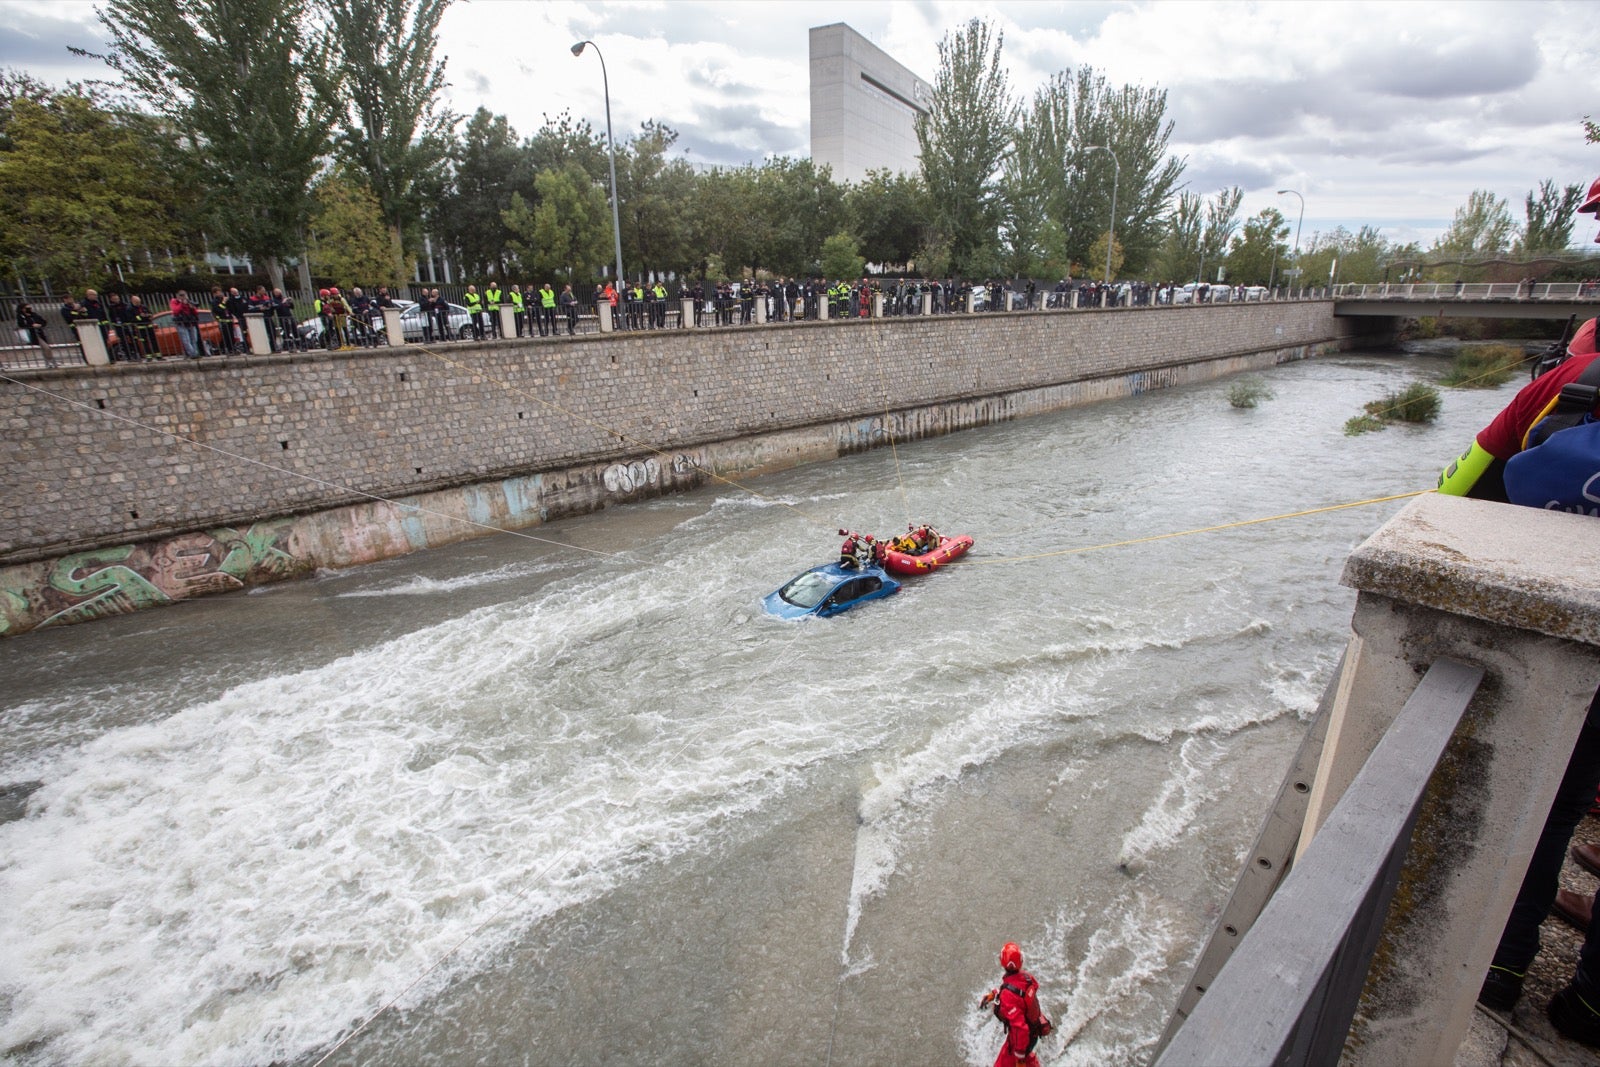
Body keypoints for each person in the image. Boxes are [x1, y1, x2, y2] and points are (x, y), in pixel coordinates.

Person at [1459, 178, 1600, 1044]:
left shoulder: (1573, 379)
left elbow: (1463, 484)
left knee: (1547, 797)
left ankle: (1508, 966)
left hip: (1566, 631)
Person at [980, 941, 1052, 1067]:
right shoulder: (1027, 978)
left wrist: (1019, 1058)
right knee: (1027, 1056)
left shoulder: (1008, 994)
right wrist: (995, 994)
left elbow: (1020, 1028)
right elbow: (1022, 995)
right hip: (1033, 1033)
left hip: (1019, 1041)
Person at [16, 302, 58, 366]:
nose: (29, 309)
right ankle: (51, 360)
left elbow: (43, 321)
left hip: (40, 333)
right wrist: (32, 325)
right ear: (22, 309)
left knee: (45, 348)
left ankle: (48, 362)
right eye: (26, 308)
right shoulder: (21, 316)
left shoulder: (34, 314)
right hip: (32, 334)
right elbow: (21, 325)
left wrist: (40, 325)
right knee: (46, 347)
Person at [170, 290, 204, 358]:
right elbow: (176, 311)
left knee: (194, 339)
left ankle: (195, 353)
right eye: (181, 295)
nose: (183, 297)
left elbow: (196, 312)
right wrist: (181, 303)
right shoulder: (174, 302)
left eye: (184, 295)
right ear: (177, 296)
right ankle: (192, 354)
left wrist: (192, 307)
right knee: (186, 340)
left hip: (191, 323)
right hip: (181, 324)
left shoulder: (189, 302)